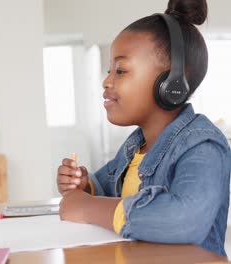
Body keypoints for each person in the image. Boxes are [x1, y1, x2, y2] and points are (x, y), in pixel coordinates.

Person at [56, 0, 231, 256]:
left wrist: (86, 207)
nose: (106, 80)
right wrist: (84, 186)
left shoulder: (203, 147)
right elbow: (104, 188)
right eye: (109, 70)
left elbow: (183, 220)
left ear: (171, 83)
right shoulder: (135, 145)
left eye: (121, 70)